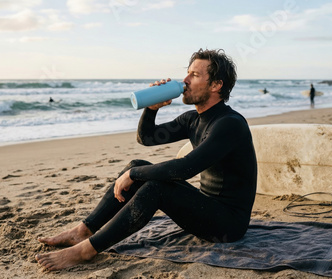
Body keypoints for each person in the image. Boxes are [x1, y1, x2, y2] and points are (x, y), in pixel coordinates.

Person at [35, 49, 258, 271]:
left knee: (154, 186)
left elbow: (185, 167)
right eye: (187, 73)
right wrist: (151, 109)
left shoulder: (229, 123)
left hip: (228, 225)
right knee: (137, 164)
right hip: (206, 207)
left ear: (216, 85)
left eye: (195, 75)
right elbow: (147, 138)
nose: (185, 80)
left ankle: (86, 250)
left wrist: (132, 176)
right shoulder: (193, 119)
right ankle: (83, 231)